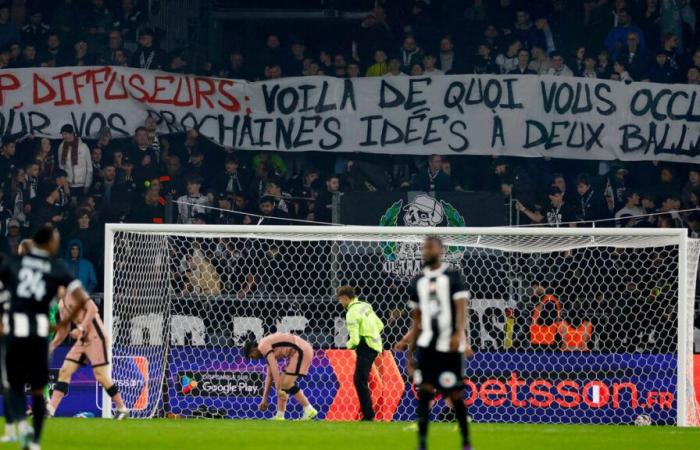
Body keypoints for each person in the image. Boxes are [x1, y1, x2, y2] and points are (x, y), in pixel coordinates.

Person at [0, 224, 91, 450]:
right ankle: (34, 442)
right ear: (49, 242)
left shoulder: (15, 263)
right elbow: (82, 297)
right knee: (39, 390)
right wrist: (62, 322)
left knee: (15, 384)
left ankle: (19, 426)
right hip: (40, 333)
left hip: (16, 330)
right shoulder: (55, 266)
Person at [406, 236, 471, 450]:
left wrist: (459, 335)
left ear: (441, 251)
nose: (427, 251)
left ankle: (465, 441)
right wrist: (410, 353)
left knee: (454, 393)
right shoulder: (417, 281)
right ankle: (422, 443)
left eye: (431, 247)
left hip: (449, 345)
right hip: (426, 346)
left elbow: (461, 307)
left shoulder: (452, 277)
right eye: (424, 248)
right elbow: (417, 318)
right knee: (424, 392)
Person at [47, 291, 129, 419]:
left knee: (100, 375)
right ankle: (50, 410)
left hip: (96, 336)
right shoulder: (61, 304)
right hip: (83, 340)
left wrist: (80, 327)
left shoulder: (75, 291)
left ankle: (122, 409)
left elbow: (92, 308)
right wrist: (51, 346)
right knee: (64, 371)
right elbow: (65, 329)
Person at [244, 333, 318, 421]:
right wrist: (264, 399)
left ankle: (309, 410)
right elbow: (270, 375)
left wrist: (278, 389)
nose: (254, 359)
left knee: (285, 383)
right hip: (297, 352)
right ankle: (280, 416)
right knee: (283, 383)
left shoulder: (262, 346)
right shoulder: (266, 348)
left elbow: (275, 368)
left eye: (252, 356)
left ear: (253, 349)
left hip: (302, 350)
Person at [336, 285, 383, 421]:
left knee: (359, 380)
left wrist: (345, 346)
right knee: (360, 379)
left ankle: (369, 415)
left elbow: (355, 340)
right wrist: (371, 334)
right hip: (375, 346)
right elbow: (380, 325)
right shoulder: (365, 306)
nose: (340, 303)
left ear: (345, 298)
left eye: (340, 300)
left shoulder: (351, 313)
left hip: (365, 346)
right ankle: (368, 414)